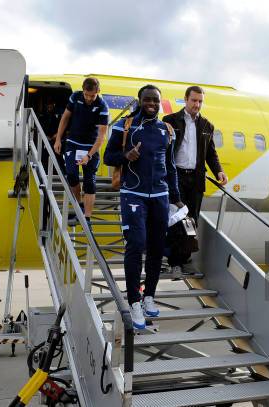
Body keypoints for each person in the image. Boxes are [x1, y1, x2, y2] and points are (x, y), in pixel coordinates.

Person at [104, 84, 183, 330]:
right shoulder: (125, 126)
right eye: (147, 100)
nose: (152, 104)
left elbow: (170, 167)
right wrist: (125, 156)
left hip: (160, 195)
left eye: (155, 101)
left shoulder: (166, 130)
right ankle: (134, 301)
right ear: (139, 101)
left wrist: (177, 199)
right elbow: (108, 157)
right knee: (136, 245)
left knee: (157, 248)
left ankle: (149, 295)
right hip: (133, 194)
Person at [162, 86, 227, 270]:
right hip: (176, 176)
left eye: (200, 101)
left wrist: (219, 171)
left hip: (196, 179)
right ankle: (175, 262)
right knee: (177, 218)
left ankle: (185, 258)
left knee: (192, 219)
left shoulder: (207, 125)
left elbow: (211, 154)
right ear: (185, 99)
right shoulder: (170, 120)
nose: (197, 104)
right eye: (193, 100)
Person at [54, 77, 109, 228]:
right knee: (71, 174)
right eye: (87, 95)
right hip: (73, 142)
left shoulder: (102, 106)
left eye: (92, 95)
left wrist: (89, 155)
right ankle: (79, 207)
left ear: (98, 91)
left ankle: (87, 218)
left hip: (90, 146)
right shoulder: (75, 96)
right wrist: (58, 139)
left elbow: (102, 136)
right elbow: (65, 117)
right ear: (83, 90)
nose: (89, 98)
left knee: (89, 180)